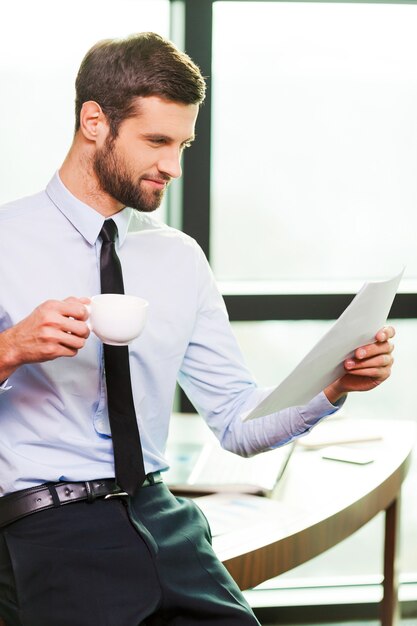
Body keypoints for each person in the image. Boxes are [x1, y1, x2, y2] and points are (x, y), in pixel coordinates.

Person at [0, 32, 395, 626]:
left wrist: (334, 385)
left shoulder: (179, 258)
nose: (174, 167)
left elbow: (237, 422)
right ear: (93, 122)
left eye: (183, 144)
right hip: (49, 527)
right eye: (157, 141)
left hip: (165, 518)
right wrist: (10, 349)